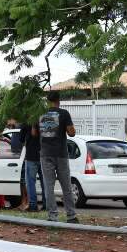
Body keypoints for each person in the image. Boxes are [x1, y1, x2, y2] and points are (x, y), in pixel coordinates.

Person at [37, 91, 78, 223]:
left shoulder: (40, 114)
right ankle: (71, 216)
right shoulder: (64, 113)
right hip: (61, 154)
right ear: (58, 100)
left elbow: (34, 132)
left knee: (49, 186)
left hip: (45, 153)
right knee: (66, 186)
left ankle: (52, 216)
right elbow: (71, 133)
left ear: (47, 101)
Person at [20, 122, 46, 212]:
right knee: (45, 182)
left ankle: (33, 205)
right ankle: (47, 204)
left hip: (31, 156)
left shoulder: (26, 122)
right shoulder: (44, 119)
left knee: (30, 182)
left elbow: (21, 139)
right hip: (44, 155)